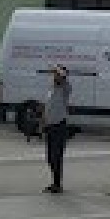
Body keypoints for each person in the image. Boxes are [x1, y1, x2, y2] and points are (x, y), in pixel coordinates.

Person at [42, 64, 72, 194]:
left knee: (56, 156)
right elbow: (48, 105)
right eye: (54, 74)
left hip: (59, 126)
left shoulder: (65, 88)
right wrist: (43, 120)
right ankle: (54, 182)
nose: (55, 76)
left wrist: (59, 70)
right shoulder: (51, 88)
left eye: (57, 74)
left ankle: (57, 184)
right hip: (49, 126)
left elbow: (64, 78)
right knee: (49, 157)